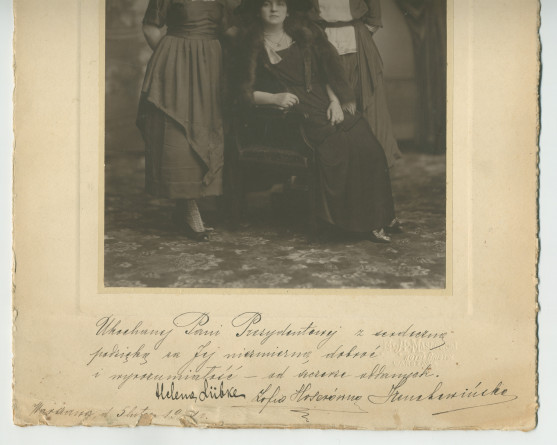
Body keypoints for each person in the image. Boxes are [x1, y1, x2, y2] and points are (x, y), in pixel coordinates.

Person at [233, 0, 400, 242]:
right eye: (266, 4)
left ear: (288, 9)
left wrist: (335, 101)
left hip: (323, 100)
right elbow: (239, 94)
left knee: (367, 142)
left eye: (280, 4)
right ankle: (347, 223)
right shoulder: (248, 44)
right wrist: (273, 97)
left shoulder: (305, 34)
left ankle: (377, 216)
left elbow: (327, 72)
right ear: (256, 9)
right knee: (338, 147)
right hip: (288, 115)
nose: (273, 9)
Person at [137, 0, 232, 241]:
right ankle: (188, 208)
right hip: (176, 64)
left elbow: (229, 29)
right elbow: (150, 27)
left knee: (206, 130)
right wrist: (172, 57)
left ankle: (184, 209)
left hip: (212, 65)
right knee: (177, 135)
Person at [308, 0, 402, 168]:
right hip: (320, 42)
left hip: (358, 45)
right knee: (331, 106)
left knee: (369, 107)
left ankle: (375, 166)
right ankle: (344, 169)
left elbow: (374, 18)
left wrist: (359, 37)